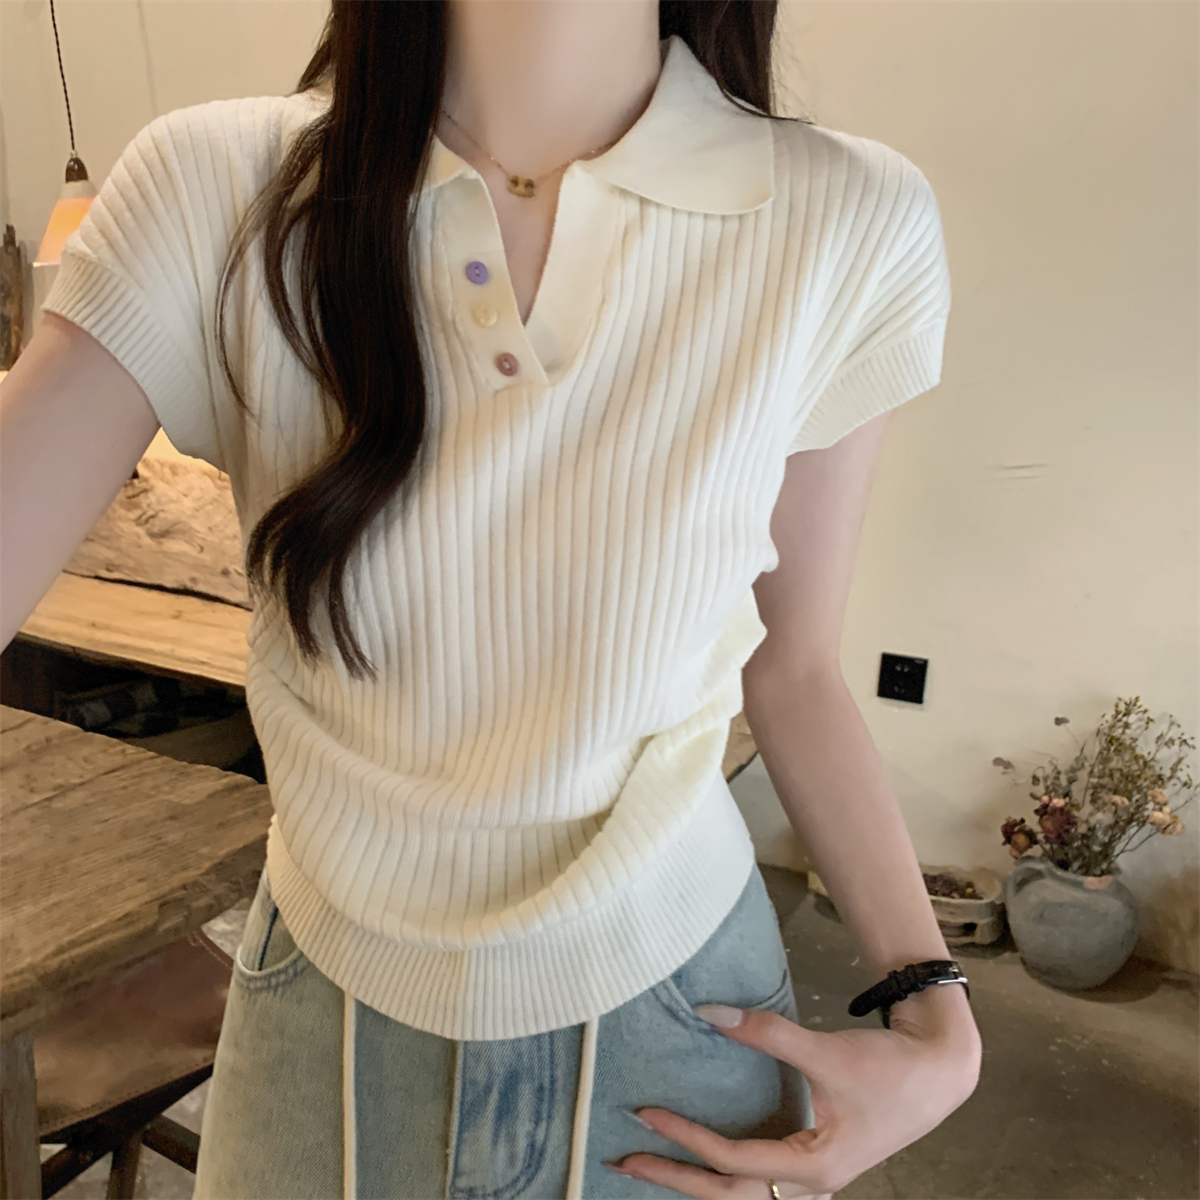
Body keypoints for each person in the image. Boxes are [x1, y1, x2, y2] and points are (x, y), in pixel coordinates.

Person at [0, 2, 982, 1197]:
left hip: (681, 1015)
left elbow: (794, 664)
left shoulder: (847, 219)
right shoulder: (219, 190)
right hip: (321, 1009)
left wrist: (934, 1008)